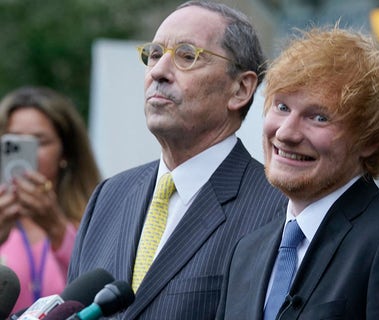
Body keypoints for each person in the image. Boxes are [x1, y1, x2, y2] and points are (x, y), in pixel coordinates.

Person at [67, 1, 286, 318]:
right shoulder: (108, 197)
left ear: (240, 88)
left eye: (187, 56)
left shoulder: (275, 207)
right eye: (155, 54)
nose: (158, 71)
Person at [217, 26, 379, 319]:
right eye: (281, 107)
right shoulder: (247, 251)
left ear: (369, 140)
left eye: (318, 117)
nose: (285, 132)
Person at [0, 86, 102, 313]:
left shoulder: (95, 215)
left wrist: (58, 231)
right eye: (14, 142)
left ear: (65, 152)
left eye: (40, 141)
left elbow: (101, 292)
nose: (28, 155)